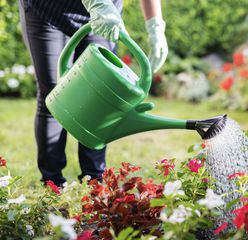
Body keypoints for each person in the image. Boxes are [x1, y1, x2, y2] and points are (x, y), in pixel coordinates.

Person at [18, 0, 168, 186]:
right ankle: (52, 183)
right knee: (54, 93)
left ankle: (95, 181)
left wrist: (155, 26)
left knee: (102, 96)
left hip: (105, 13)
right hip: (48, 9)